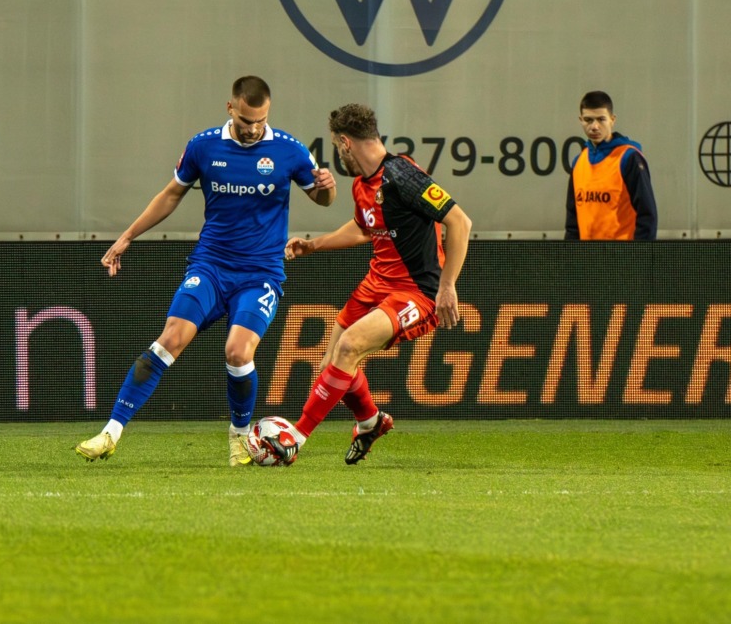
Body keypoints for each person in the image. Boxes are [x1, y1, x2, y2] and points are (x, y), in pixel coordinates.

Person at [76, 76, 336, 466]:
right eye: (246, 120)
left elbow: (322, 198)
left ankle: (239, 437)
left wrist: (328, 187)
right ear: (230, 108)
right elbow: (171, 194)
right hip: (211, 267)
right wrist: (127, 236)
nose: (253, 129)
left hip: (260, 274)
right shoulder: (204, 146)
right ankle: (110, 433)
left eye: (261, 121)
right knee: (169, 340)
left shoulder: (290, 150)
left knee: (238, 352)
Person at [264, 103, 472, 465]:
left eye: (336, 145)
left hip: (415, 292)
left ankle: (295, 438)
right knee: (332, 364)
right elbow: (363, 228)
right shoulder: (362, 184)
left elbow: (459, 221)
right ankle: (371, 420)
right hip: (376, 284)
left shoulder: (403, 176)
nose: (337, 153)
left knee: (349, 346)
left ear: (346, 143)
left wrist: (447, 286)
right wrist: (314, 245)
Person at [565, 91, 657, 240]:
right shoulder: (579, 162)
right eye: (588, 120)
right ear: (580, 120)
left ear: (612, 120)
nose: (594, 126)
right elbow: (572, 223)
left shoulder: (628, 158)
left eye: (601, 119)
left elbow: (647, 217)